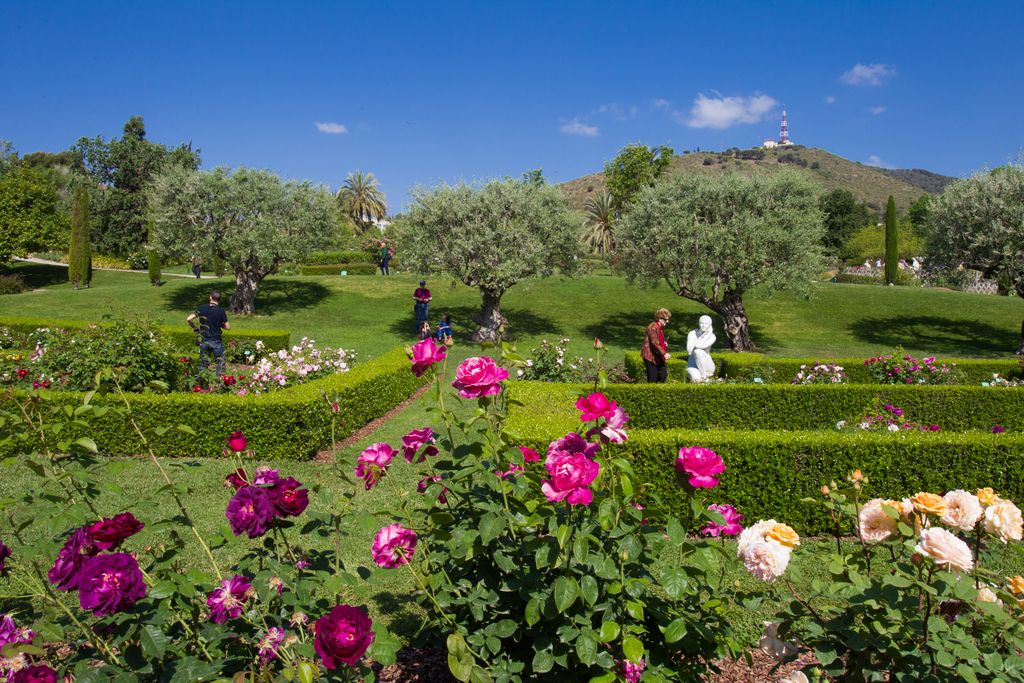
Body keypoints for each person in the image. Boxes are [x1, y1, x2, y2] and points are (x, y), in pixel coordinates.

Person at [186, 289, 231, 375]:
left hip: (204, 340)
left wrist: (195, 329)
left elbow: (189, 319)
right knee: (220, 366)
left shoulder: (201, 308)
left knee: (202, 366)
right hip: (216, 341)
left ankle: (202, 385)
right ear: (219, 299)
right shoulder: (221, 311)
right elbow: (228, 327)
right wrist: (221, 325)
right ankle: (219, 386)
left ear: (210, 297)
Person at [640, 308, 671, 383]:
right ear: (659, 318)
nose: (667, 321)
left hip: (657, 355)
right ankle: (651, 393)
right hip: (650, 356)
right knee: (652, 379)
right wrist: (664, 353)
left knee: (663, 375)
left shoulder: (660, 327)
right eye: (665, 319)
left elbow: (658, 340)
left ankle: (658, 392)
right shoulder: (653, 327)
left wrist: (664, 343)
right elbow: (654, 343)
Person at [685, 315, 717, 383]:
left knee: (698, 351)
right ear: (699, 323)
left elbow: (699, 347)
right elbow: (689, 350)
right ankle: (703, 378)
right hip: (693, 364)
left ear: (710, 325)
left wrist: (708, 334)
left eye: (706, 324)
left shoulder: (712, 336)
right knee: (696, 379)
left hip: (708, 366)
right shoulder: (692, 333)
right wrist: (703, 336)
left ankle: (704, 376)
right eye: (701, 323)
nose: (703, 325)